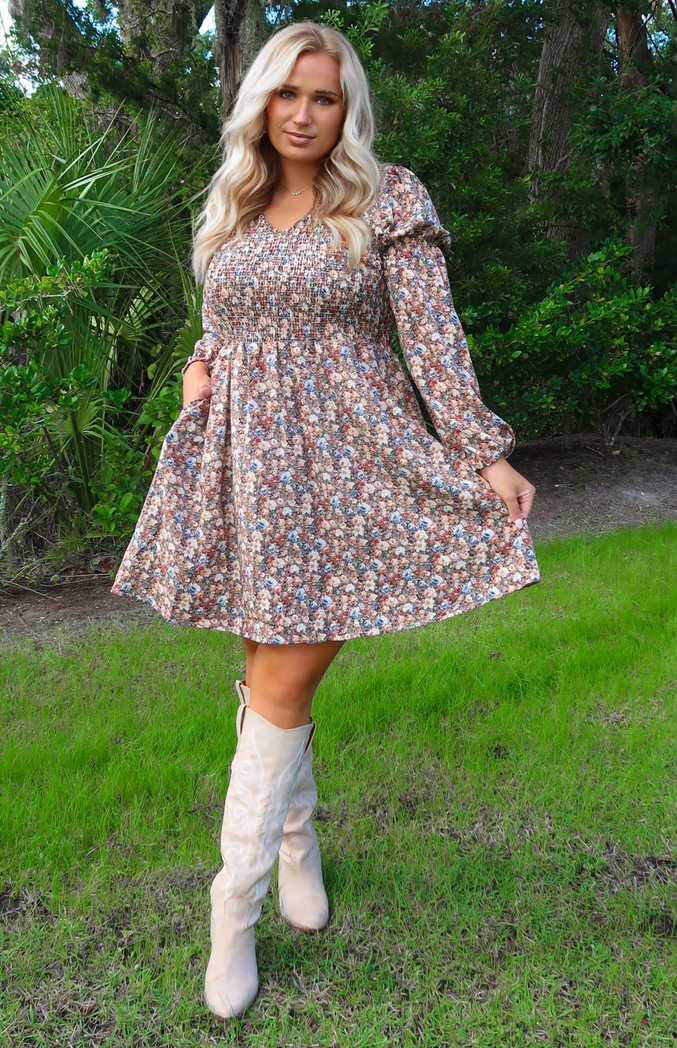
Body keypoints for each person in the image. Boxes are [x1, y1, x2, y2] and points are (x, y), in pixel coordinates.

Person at [111, 18, 541, 1020]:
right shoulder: (233, 202)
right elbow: (221, 325)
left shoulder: (387, 197)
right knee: (269, 664)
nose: (303, 114)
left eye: (324, 96)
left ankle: (233, 904)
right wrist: (198, 370)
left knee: (283, 676)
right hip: (248, 465)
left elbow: (431, 337)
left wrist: (481, 447)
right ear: (260, 101)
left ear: (347, 109)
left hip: (351, 462)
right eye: (287, 93)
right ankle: (296, 843)